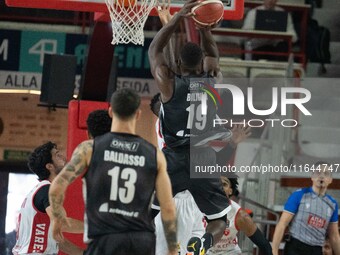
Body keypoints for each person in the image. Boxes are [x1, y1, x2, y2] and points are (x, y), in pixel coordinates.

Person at [49, 88, 177, 255]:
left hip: (105, 238)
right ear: (138, 114)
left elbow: (57, 187)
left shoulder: (89, 148)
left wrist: (58, 219)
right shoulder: (154, 155)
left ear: (110, 112)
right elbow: (167, 207)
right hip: (141, 241)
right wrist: (173, 248)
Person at [149, 0, 233, 254]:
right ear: (203, 65)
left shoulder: (168, 85)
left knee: (143, 212)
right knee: (219, 220)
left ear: (179, 66)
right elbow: (213, 55)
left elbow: (155, 49)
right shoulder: (212, 79)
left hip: (172, 160)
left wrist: (175, 19)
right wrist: (205, 28)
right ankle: (204, 243)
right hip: (203, 157)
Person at [12, 142, 84, 255]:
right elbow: (63, 223)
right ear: (49, 166)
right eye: (57, 155)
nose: (63, 157)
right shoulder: (47, 190)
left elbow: (56, 240)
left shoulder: (41, 190)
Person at [272, 162, 340, 255]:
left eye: (326, 174)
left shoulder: (333, 204)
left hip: (316, 250)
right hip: (295, 247)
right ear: (312, 177)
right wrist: (274, 251)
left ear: (330, 180)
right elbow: (282, 224)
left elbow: (334, 236)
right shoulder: (299, 195)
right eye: (318, 173)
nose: (321, 176)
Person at [207, 174, 273, 255]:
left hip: (230, 252)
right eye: (217, 183)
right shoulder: (198, 208)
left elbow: (264, 245)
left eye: (224, 184)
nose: (220, 187)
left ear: (230, 190)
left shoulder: (240, 215)